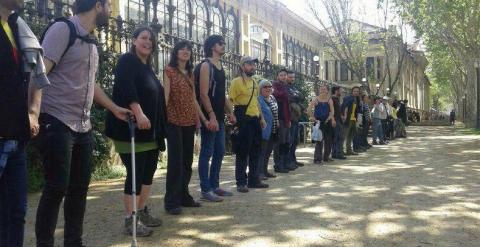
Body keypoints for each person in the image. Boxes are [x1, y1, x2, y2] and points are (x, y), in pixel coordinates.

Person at [35, 0, 131, 246]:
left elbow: (91, 84)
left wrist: (114, 108)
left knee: (79, 190)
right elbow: (39, 72)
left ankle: (73, 242)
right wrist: (32, 112)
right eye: (108, 5)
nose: (110, 11)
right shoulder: (63, 30)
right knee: (56, 188)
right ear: (97, 6)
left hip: (83, 126)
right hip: (56, 120)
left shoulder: (90, 40)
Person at [105, 27, 166, 236]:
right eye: (144, 38)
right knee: (135, 174)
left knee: (148, 173)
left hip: (150, 133)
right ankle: (130, 220)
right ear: (133, 41)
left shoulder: (148, 67)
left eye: (151, 39)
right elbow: (126, 87)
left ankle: (141, 211)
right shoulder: (127, 61)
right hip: (130, 128)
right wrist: (138, 113)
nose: (148, 42)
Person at [0, 0, 48, 245]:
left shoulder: (17, 25)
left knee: (16, 214)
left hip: (17, 139)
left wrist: (33, 112)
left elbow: (35, 73)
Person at [163, 41, 210, 212]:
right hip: (174, 121)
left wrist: (204, 119)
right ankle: (171, 201)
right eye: (182, 48)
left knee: (187, 162)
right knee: (176, 162)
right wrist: (162, 119)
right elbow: (165, 96)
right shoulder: (168, 70)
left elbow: (193, 100)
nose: (185, 51)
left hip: (190, 122)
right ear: (175, 52)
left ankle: (184, 196)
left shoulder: (191, 74)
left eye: (188, 49)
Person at [195, 35, 236, 202]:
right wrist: (210, 116)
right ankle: (206, 189)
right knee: (207, 151)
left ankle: (214, 185)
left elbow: (221, 94)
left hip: (219, 116)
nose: (223, 45)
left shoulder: (220, 66)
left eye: (224, 43)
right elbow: (203, 94)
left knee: (219, 151)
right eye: (221, 43)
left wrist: (230, 112)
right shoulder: (206, 65)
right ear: (213, 46)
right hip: (209, 116)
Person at [229, 56, 268, 192]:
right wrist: (231, 115)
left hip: (255, 119)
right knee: (242, 152)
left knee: (256, 151)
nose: (253, 67)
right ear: (242, 66)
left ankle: (253, 180)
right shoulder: (236, 82)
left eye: (253, 64)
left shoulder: (255, 83)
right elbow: (230, 100)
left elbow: (256, 101)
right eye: (250, 64)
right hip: (243, 118)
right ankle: (241, 182)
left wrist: (262, 118)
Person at [309, 85, 336, 164]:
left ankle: (326, 157)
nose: (323, 90)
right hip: (318, 122)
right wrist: (312, 117)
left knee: (329, 140)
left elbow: (332, 111)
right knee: (319, 140)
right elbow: (309, 109)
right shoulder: (315, 99)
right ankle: (317, 159)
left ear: (327, 91)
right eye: (321, 89)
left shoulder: (329, 99)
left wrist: (330, 118)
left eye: (324, 89)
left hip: (327, 121)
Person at [257, 79, 278, 180]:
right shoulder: (258, 99)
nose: (268, 88)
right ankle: (259, 172)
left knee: (268, 151)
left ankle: (264, 170)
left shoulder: (272, 98)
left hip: (273, 129)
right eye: (265, 87)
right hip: (263, 130)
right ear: (260, 89)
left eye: (269, 86)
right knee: (261, 151)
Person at [272, 68, 292, 173]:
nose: (283, 77)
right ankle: (278, 165)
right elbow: (278, 95)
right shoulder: (274, 85)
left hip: (286, 117)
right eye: (281, 75)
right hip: (279, 118)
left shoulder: (285, 86)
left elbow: (287, 103)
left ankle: (284, 163)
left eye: (284, 75)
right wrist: (285, 94)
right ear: (277, 76)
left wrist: (289, 119)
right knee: (279, 143)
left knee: (285, 142)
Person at [286, 71, 306, 168]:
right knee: (290, 141)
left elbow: (301, 97)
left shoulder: (293, 87)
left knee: (295, 140)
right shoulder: (285, 87)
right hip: (290, 117)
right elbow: (290, 98)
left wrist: (296, 98)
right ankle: (289, 161)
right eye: (290, 77)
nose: (292, 79)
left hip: (296, 117)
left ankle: (293, 160)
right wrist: (296, 98)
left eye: (293, 77)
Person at [341, 87, 361, 155]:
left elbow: (357, 110)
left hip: (353, 119)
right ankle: (340, 150)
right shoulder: (348, 98)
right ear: (352, 92)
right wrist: (344, 116)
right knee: (344, 135)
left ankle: (349, 150)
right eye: (355, 91)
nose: (356, 92)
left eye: (357, 91)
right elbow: (344, 107)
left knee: (351, 135)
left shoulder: (357, 99)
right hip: (347, 119)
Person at [331, 86, 346, 160]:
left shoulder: (337, 99)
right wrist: (333, 119)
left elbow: (338, 110)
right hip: (335, 120)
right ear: (336, 91)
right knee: (339, 137)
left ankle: (335, 153)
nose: (342, 92)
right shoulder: (333, 99)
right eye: (340, 91)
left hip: (339, 119)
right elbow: (331, 111)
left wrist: (341, 116)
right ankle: (338, 153)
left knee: (337, 137)